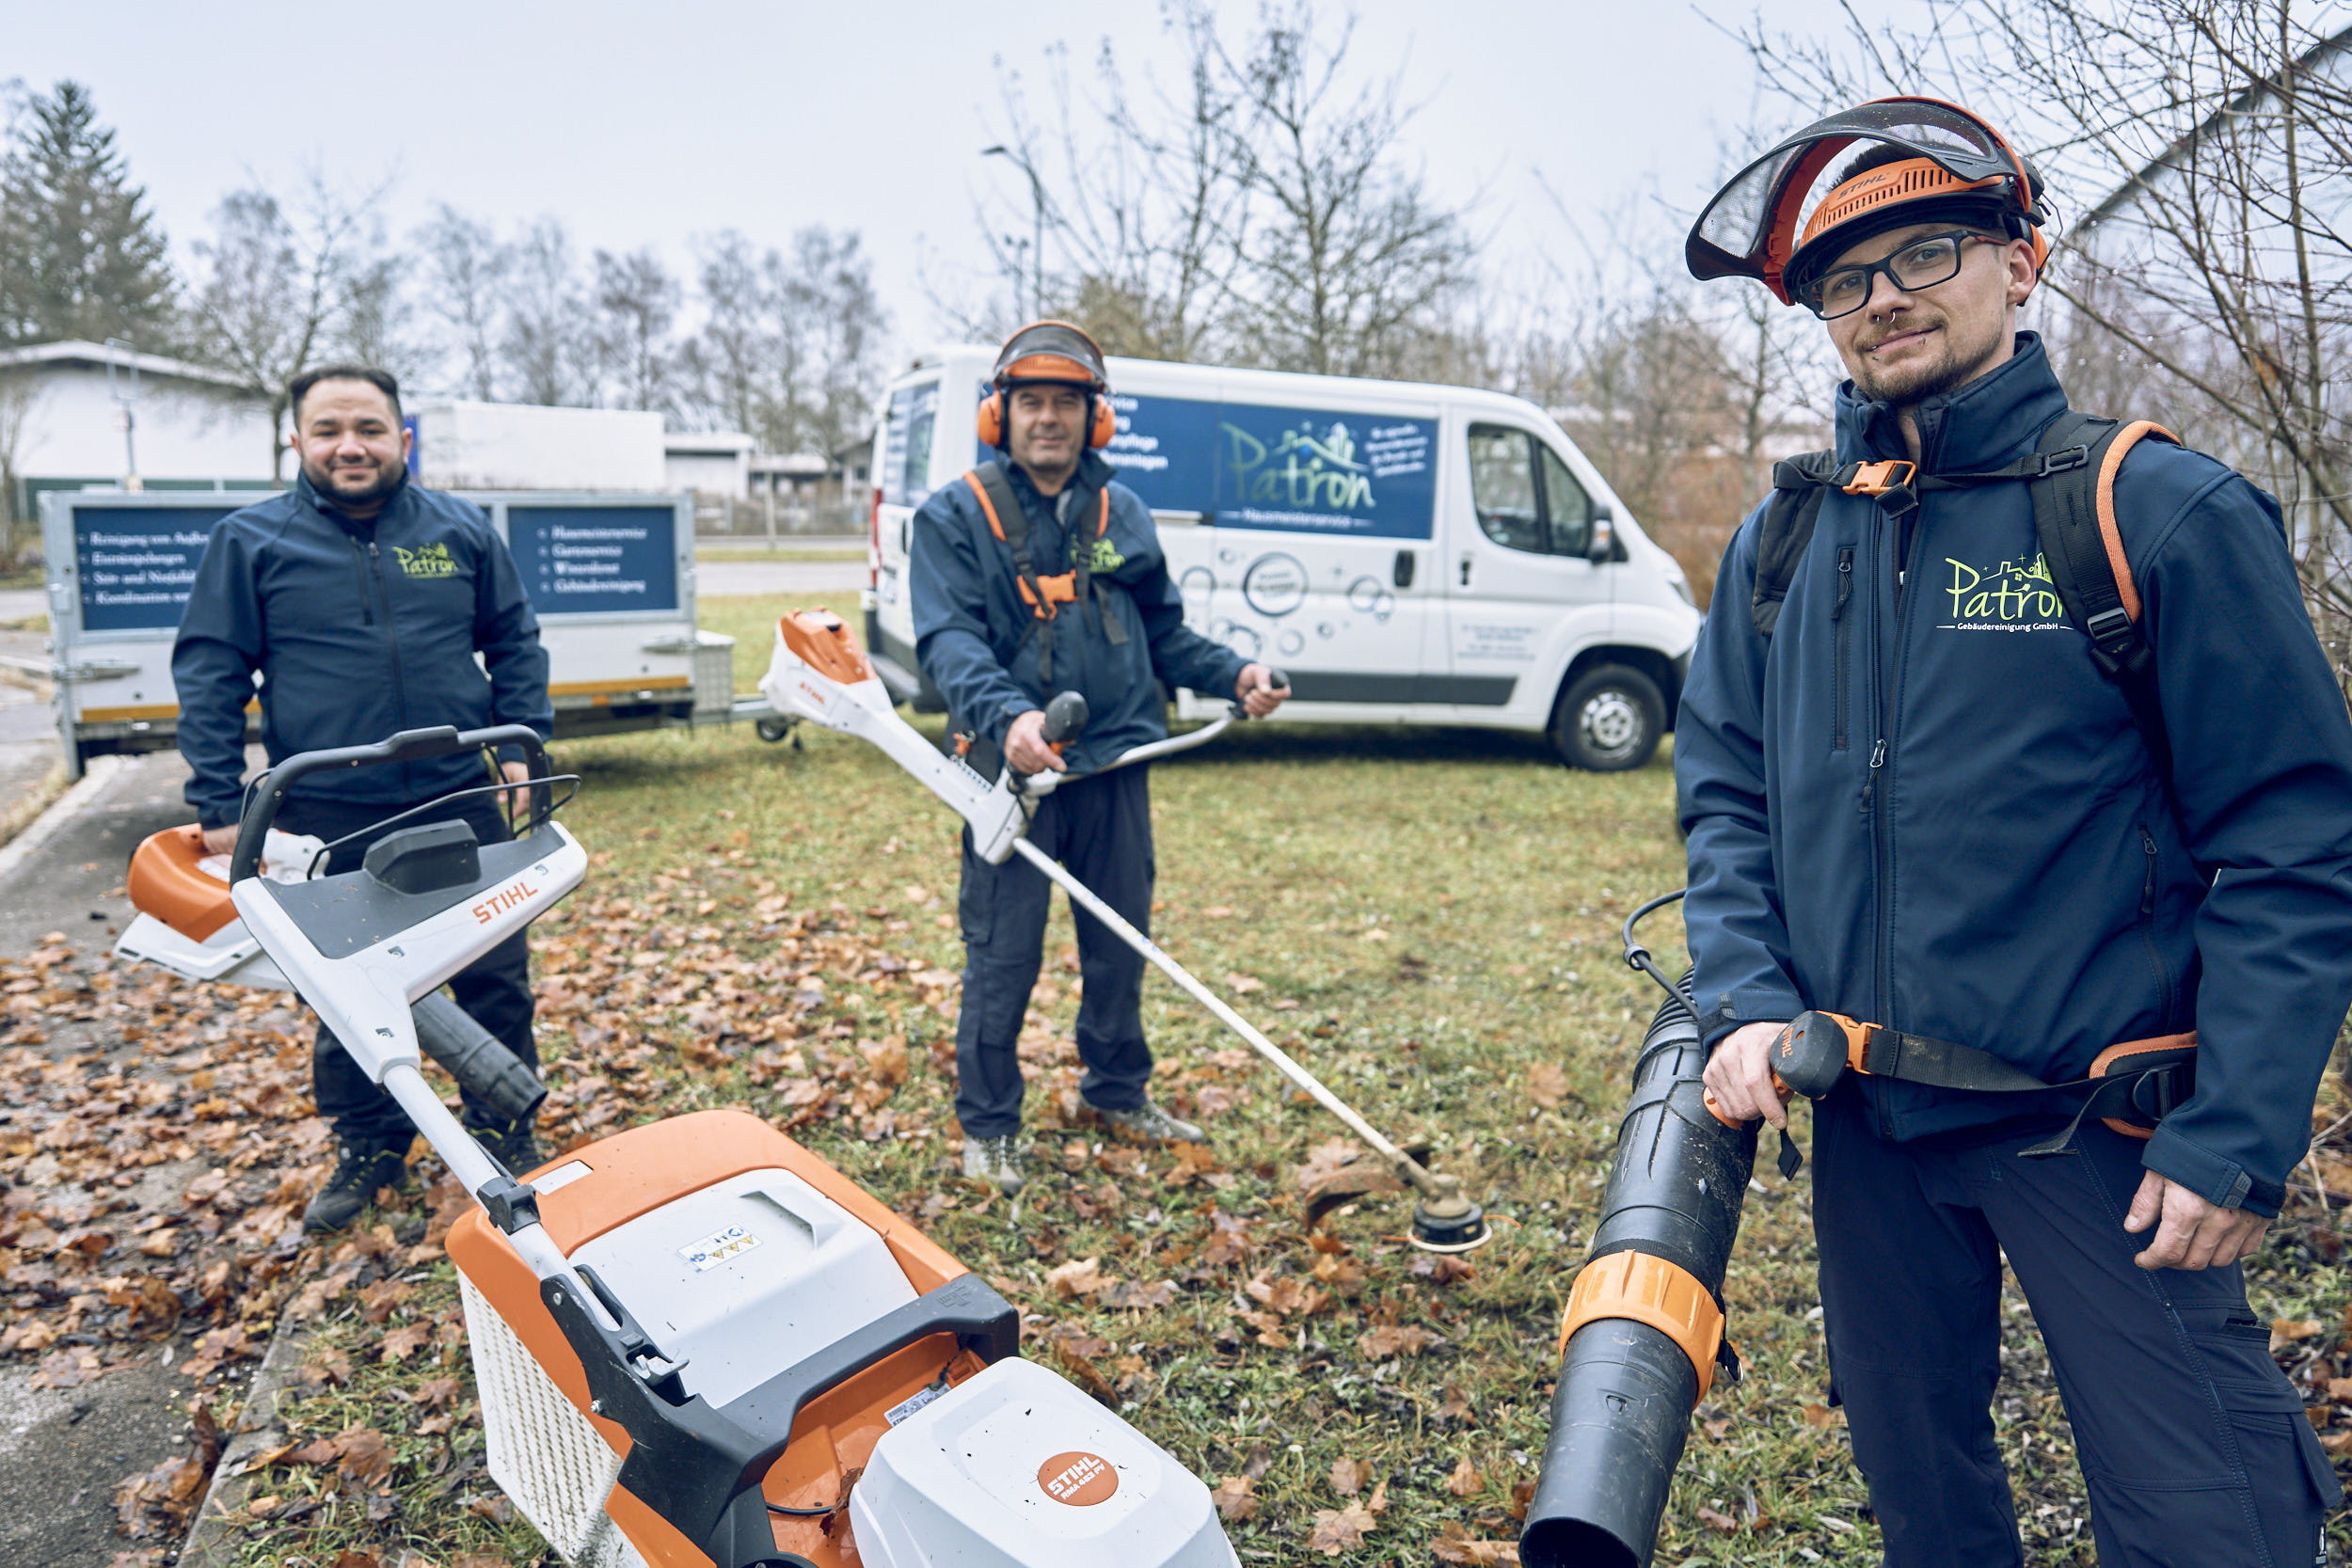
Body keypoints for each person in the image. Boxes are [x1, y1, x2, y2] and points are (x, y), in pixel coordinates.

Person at [1676, 101, 2352, 1566]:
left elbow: (2294, 841)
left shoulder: (2151, 510)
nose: (1885, 296)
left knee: (2211, 1515)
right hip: (1865, 1116)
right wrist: (1746, 995)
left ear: (2021, 262)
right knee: (1922, 1492)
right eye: (1846, 279)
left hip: (2097, 1122)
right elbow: (1725, 792)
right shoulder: (1785, 541)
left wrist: (2239, 1128)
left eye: (1928, 252)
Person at [911, 321, 1288, 1196]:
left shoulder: (1126, 513)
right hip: (1010, 777)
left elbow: (1165, 635)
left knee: (1120, 942)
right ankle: (990, 1123)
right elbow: (949, 641)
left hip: (1114, 764)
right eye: (1031, 402)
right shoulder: (953, 516)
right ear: (1000, 415)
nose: (1049, 418)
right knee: (1003, 953)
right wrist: (1009, 718)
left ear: (1096, 418)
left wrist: (1234, 673)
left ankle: (1116, 1091)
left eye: (1066, 404)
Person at [173, 364, 553, 1232]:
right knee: (347, 992)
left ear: (402, 439)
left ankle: (504, 1126)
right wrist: (218, 796)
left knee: (493, 975)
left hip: (459, 800)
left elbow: (514, 640)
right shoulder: (250, 541)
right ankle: (370, 1143)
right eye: (330, 430)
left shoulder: (460, 530)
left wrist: (522, 742)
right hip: (326, 815)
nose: (351, 446)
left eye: (371, 429)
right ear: (298, 441)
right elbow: (210, 670)